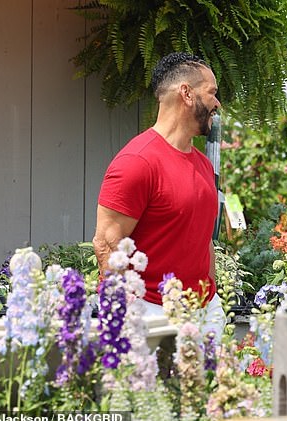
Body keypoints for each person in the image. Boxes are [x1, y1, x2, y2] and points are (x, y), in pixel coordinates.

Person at [92, 52, 226, 340]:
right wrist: (122, 324)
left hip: (204, 313)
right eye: (212, 93)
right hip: (150, 316)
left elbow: (203, 242)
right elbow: (106, 244)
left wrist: (212, 302)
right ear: (187, 93)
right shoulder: (137, 162)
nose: (217, 103)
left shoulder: (203, 164)